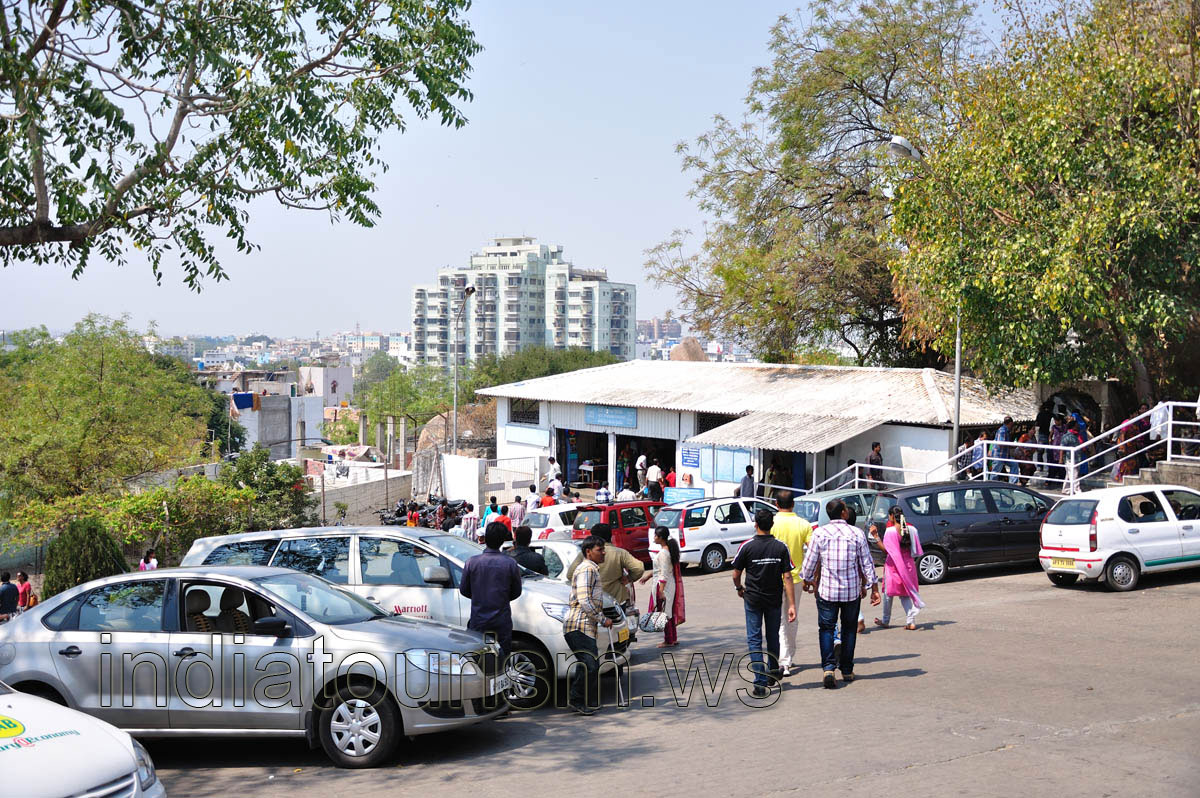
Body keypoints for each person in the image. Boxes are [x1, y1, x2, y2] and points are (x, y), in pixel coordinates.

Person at [800, 498, 880, 689]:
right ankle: (846, 669)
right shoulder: (856, 533)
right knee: (849, 629)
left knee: (827, 629)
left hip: (827, 591)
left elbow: (810, 562)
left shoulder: (819, 533)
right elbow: (866, 563)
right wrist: (874, 587)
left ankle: (828, 668)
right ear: (843, 513)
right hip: (851, 592)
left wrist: (807, 579)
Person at [732, 509, 796, 697]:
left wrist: (739, 588)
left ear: (756, 524)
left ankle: (760, 681)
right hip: (774, 599)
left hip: (752, 598)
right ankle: (773, 671)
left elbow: (735, 574)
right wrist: (791, 604)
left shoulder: (747, 546)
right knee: (773, 636)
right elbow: (788, 576)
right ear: (771, 525)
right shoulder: (780, 547)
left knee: (754, 638)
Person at [459, 522, 523, 666]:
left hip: (478, 619)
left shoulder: (471, 562)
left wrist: (479, 597)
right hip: (502, 620)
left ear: (485, 538)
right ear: (502, 541)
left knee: (479, 661)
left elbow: (464, 590)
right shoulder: (510, 563)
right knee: (502, 661)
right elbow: (516, 592)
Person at [563, 535, 612, 715]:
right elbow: (584, 600)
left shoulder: (591, 569)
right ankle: (577, 699)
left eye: (603, 548)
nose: (603, 552)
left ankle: (586, 700)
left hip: (584, 626)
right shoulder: (587, 569)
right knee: (589, 665)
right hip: (578, 626)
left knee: (587, 664)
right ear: (588, 552)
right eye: (599, 550)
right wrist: (602, 618)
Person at [771, 491, 812, 676]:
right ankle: (786, 658)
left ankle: (784, 660)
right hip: (795, 578)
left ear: (776, 503)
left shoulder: (770, 522)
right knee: (792, 618)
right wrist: (811, 575)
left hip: (772, 578)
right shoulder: (804, 524)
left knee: (779, 620)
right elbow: (813, 551)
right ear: (793, 505)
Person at [565, 523, 645, 607]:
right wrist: (629, 578)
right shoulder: (619, 553)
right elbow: (639, 568)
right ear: (610, 536)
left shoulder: (586, 554)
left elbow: (570, 575)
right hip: (616, 600)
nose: (603, 553)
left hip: (593, 603)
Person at [875, 506, 926, 630]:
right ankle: (911, 621)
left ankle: (886, 620)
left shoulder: (891, 531)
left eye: (889, 516)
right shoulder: (912, 529)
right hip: (908, 565)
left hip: (894, 565)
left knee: (888, 593)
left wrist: (876, 537)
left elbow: (888, 551)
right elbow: (915, 551)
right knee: (905, 594)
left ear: (892, 516)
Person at [640, 527, 686, 647]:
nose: (654, 538)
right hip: (668, 585)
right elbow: (659, 570)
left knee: (665, 613)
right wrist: (648, 576)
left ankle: (668, 640)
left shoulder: (664, 553)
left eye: (655, 536)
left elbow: (663, 574)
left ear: (661, 538)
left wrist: (660, 590)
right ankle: (672, 638)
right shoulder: (666, 552)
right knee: (668, 612)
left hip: (664, 586)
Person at [1035, 401, 1054, 470]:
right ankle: (1050, 467)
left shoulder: (1040, 414)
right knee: (1049, 452)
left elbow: (1037, 424)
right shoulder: (1052, 415)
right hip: (1050, 435)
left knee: (1040, 452)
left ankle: (1040, 466)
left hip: (1041, 434)